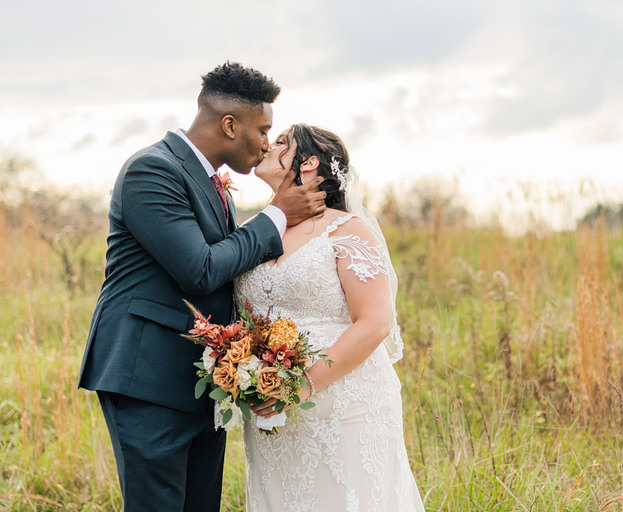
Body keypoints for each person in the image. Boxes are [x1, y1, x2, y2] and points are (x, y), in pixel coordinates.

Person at [77, 63, 327, 512]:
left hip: (205, 382)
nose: (267, 143)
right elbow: (201, 269)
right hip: (147, 378)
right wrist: (277, 215)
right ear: (230, 125)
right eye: (263, 129)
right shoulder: (151, 170)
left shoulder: (219, 188)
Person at [234, 123, 424, 511]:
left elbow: (375, 322)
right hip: (270, 407)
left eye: (282, 142)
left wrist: (302, 385)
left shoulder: (346, 230)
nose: (268, 145)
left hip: (344, 403)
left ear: (309, 164)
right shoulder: (259, 228)